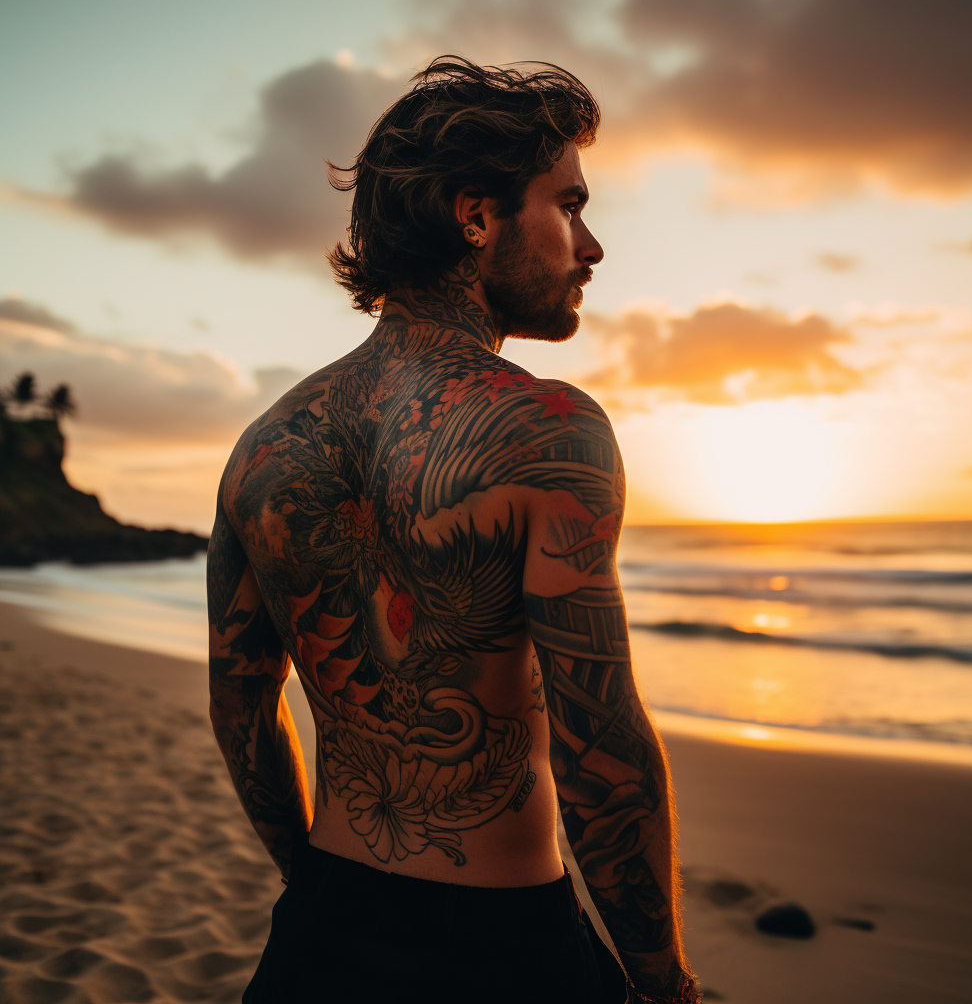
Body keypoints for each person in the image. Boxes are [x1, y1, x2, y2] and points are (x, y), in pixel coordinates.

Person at [206, 56, 701, 1004]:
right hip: (503, 950)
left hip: (316, 938)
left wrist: (312, 889)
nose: (591, 247)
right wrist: (661, 980)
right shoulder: (546, 431)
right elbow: (601, 746)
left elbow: (241, 712)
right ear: (476, 216)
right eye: (570, 207)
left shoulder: (261, 449)